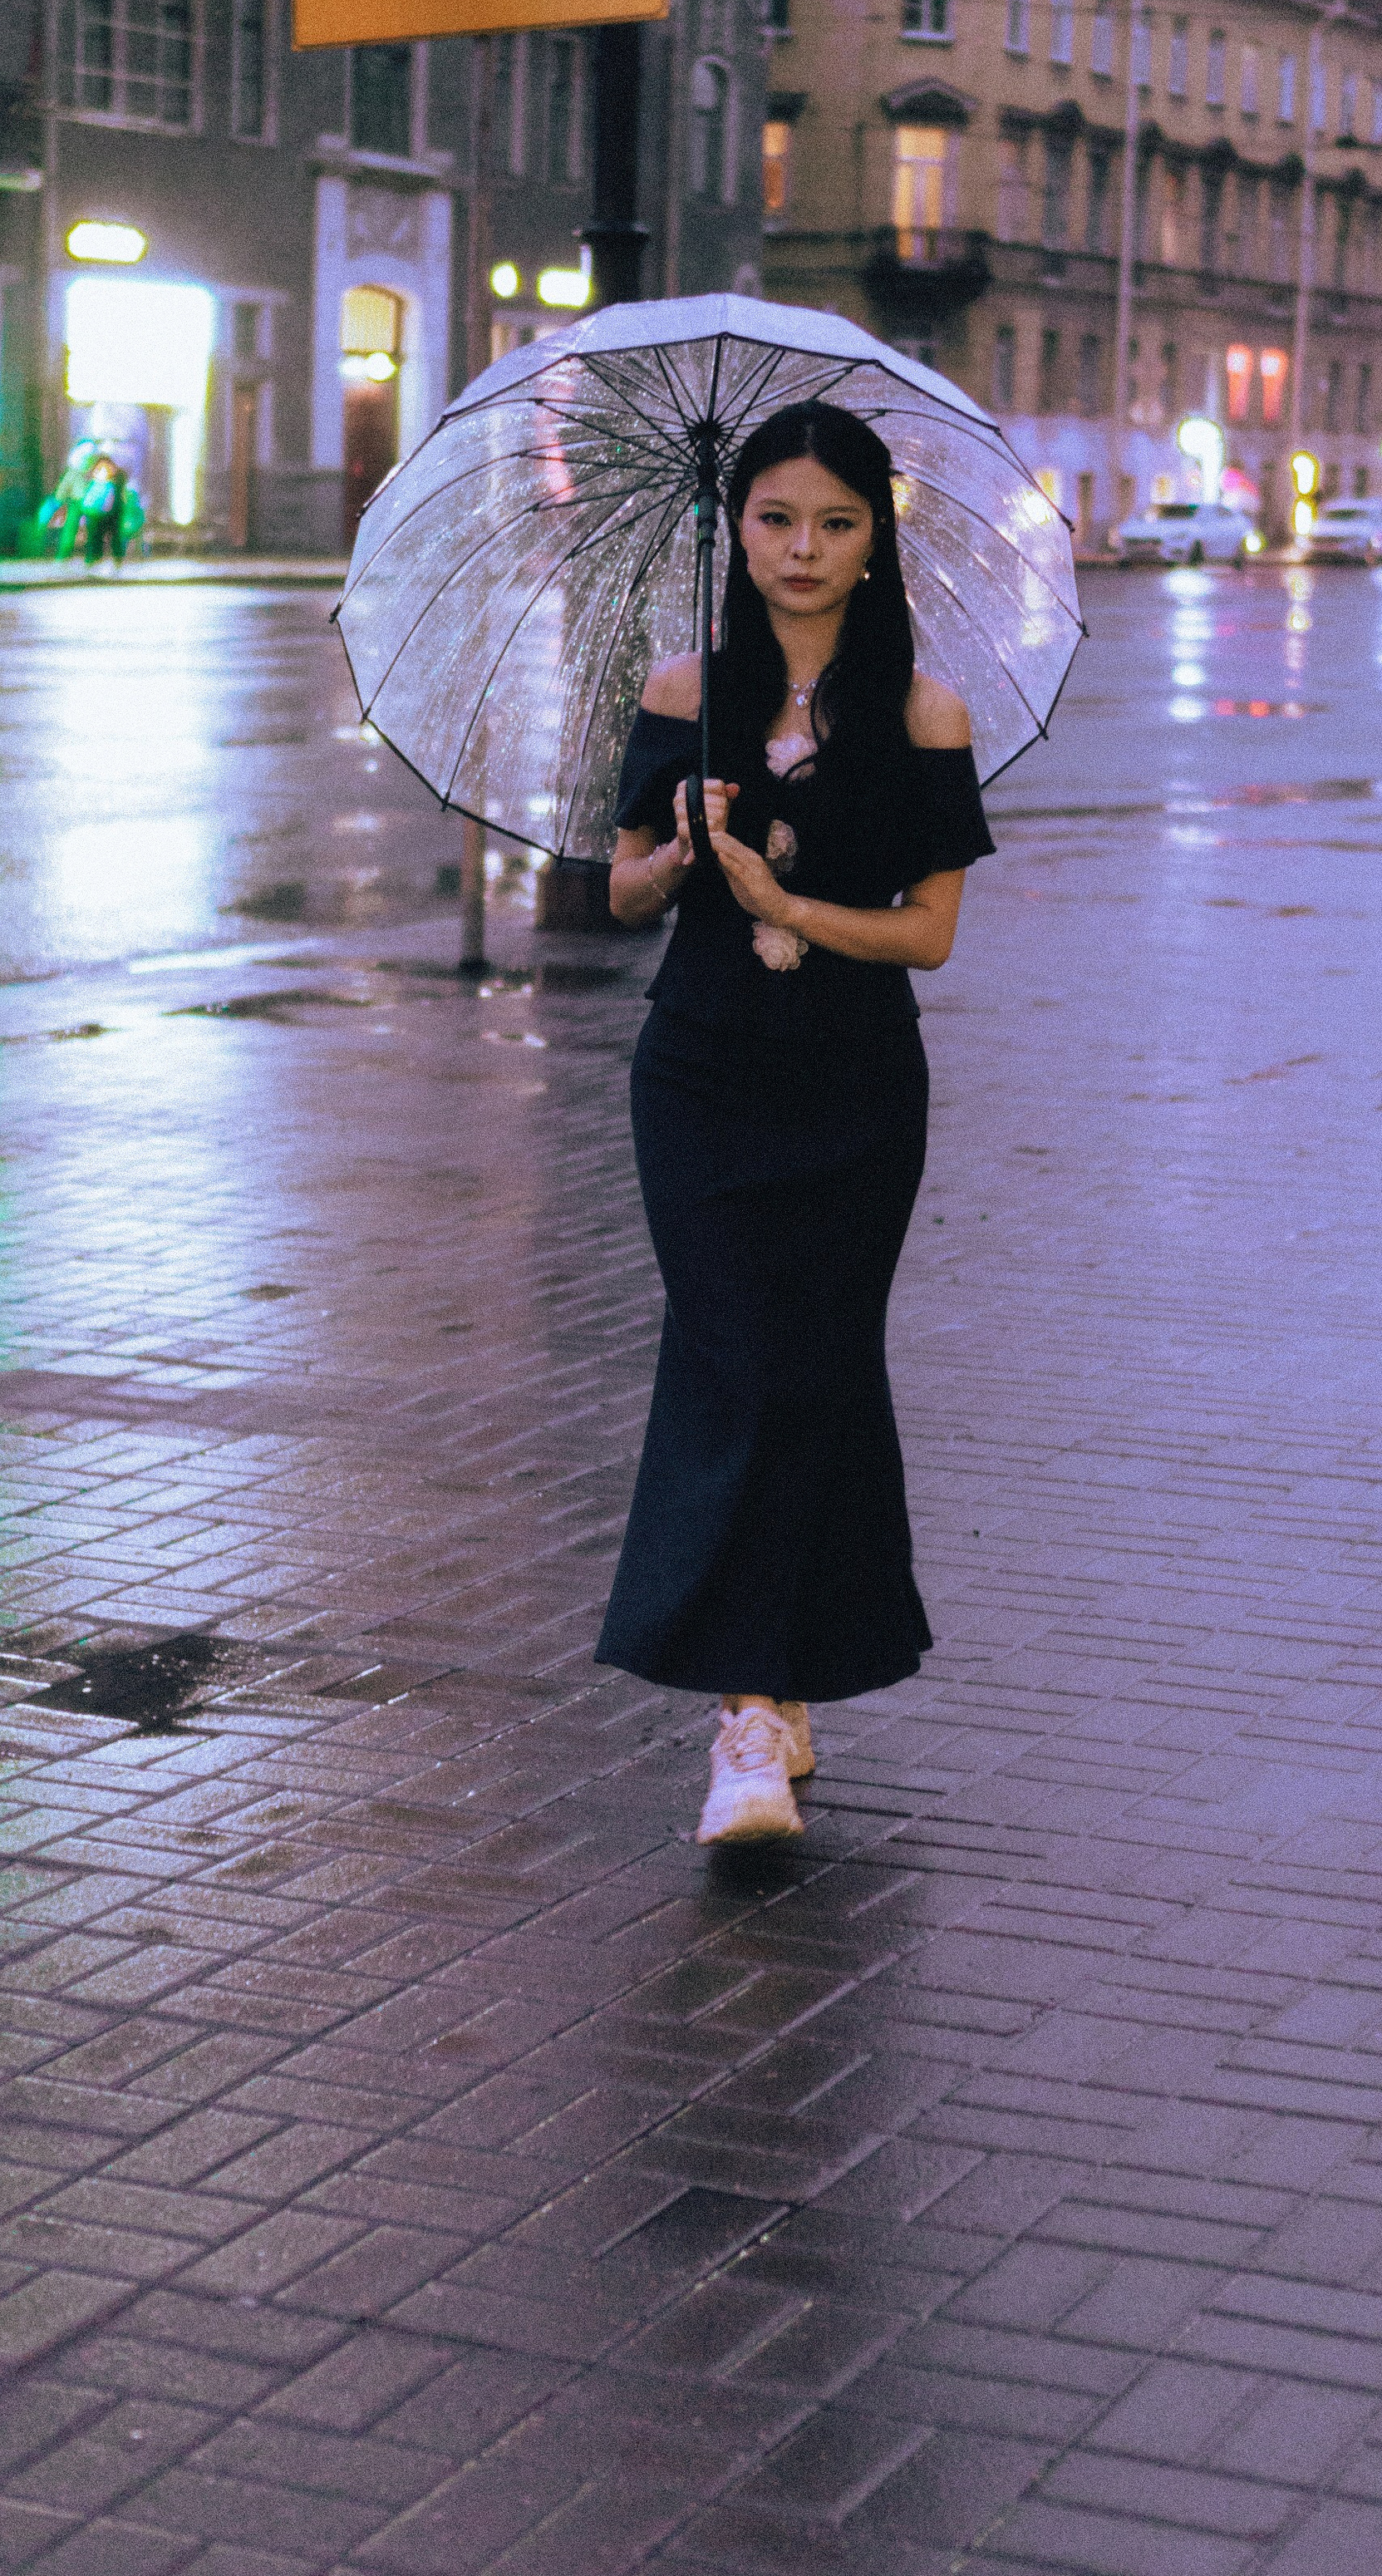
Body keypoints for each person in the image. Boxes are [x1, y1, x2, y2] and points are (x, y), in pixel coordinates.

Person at [603, 399, 994, 1845]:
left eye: (836, 523)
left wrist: (785, 902)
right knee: (737, 1364)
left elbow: (929, 934)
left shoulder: (921, 714)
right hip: (700, 1076)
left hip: (853, 1086)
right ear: (739, 530)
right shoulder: (681, 694)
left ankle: (785, 1668)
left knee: (815, 1370)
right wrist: (681, 860)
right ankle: (749, 1724)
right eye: (776, 519)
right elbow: (620, 893)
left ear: (876, 539)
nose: (804, 548)